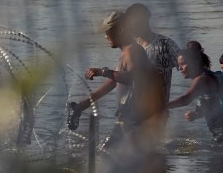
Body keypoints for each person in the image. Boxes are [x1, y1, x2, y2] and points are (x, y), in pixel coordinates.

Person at [67, 11, 166, 151]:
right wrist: (82, 105)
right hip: (128, 116)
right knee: (112, 153)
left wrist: (102, 72)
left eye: (108, 31)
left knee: (115, 154)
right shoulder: (127, 52)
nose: (106, 36)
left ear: (120, 30)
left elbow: (133, 78)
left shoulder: (133, 52)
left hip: (136, 117)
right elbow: (113, 82)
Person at [167, 42, 223, 144]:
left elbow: (185, 99)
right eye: (178, 65)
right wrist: (196, 114)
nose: (180, 69)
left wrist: (162, 106)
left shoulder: (202, 79)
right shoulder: (208, 76)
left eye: (183, 64)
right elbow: (213, 104)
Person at [124, 3, 180, 103]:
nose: (131, 27)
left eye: (134, 22)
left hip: (157, 110)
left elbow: (188, 66)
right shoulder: (130, 48)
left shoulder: (166, 44)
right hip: (132, 110)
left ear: (145, 20)